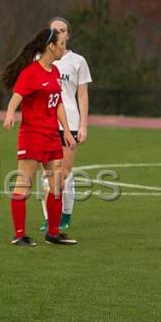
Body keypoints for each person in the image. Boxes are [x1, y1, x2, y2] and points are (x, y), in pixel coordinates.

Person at [1, 27, 78, 247]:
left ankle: (53, 233)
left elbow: (59, 103)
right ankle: (19, 235)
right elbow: (17, 96)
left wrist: (67, 131)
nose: (63, 48)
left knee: (57, 184)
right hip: (32, 136)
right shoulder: (30, 73)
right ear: (50, 47)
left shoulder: (54, 72)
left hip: (52, 136)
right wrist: (9, 115)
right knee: (23, 183)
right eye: (61, 44)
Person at [38, 16, 91, 233]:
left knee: (65, 172)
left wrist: (84, 124)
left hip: (70, 122)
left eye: (62, 29)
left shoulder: (77, 61)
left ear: (68, 34)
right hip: (45, 123)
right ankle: (49, 219)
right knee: (47, 175)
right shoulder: (39, 59)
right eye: (54, 30)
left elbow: (82, 95)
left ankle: (65, 214)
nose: (58, 33)